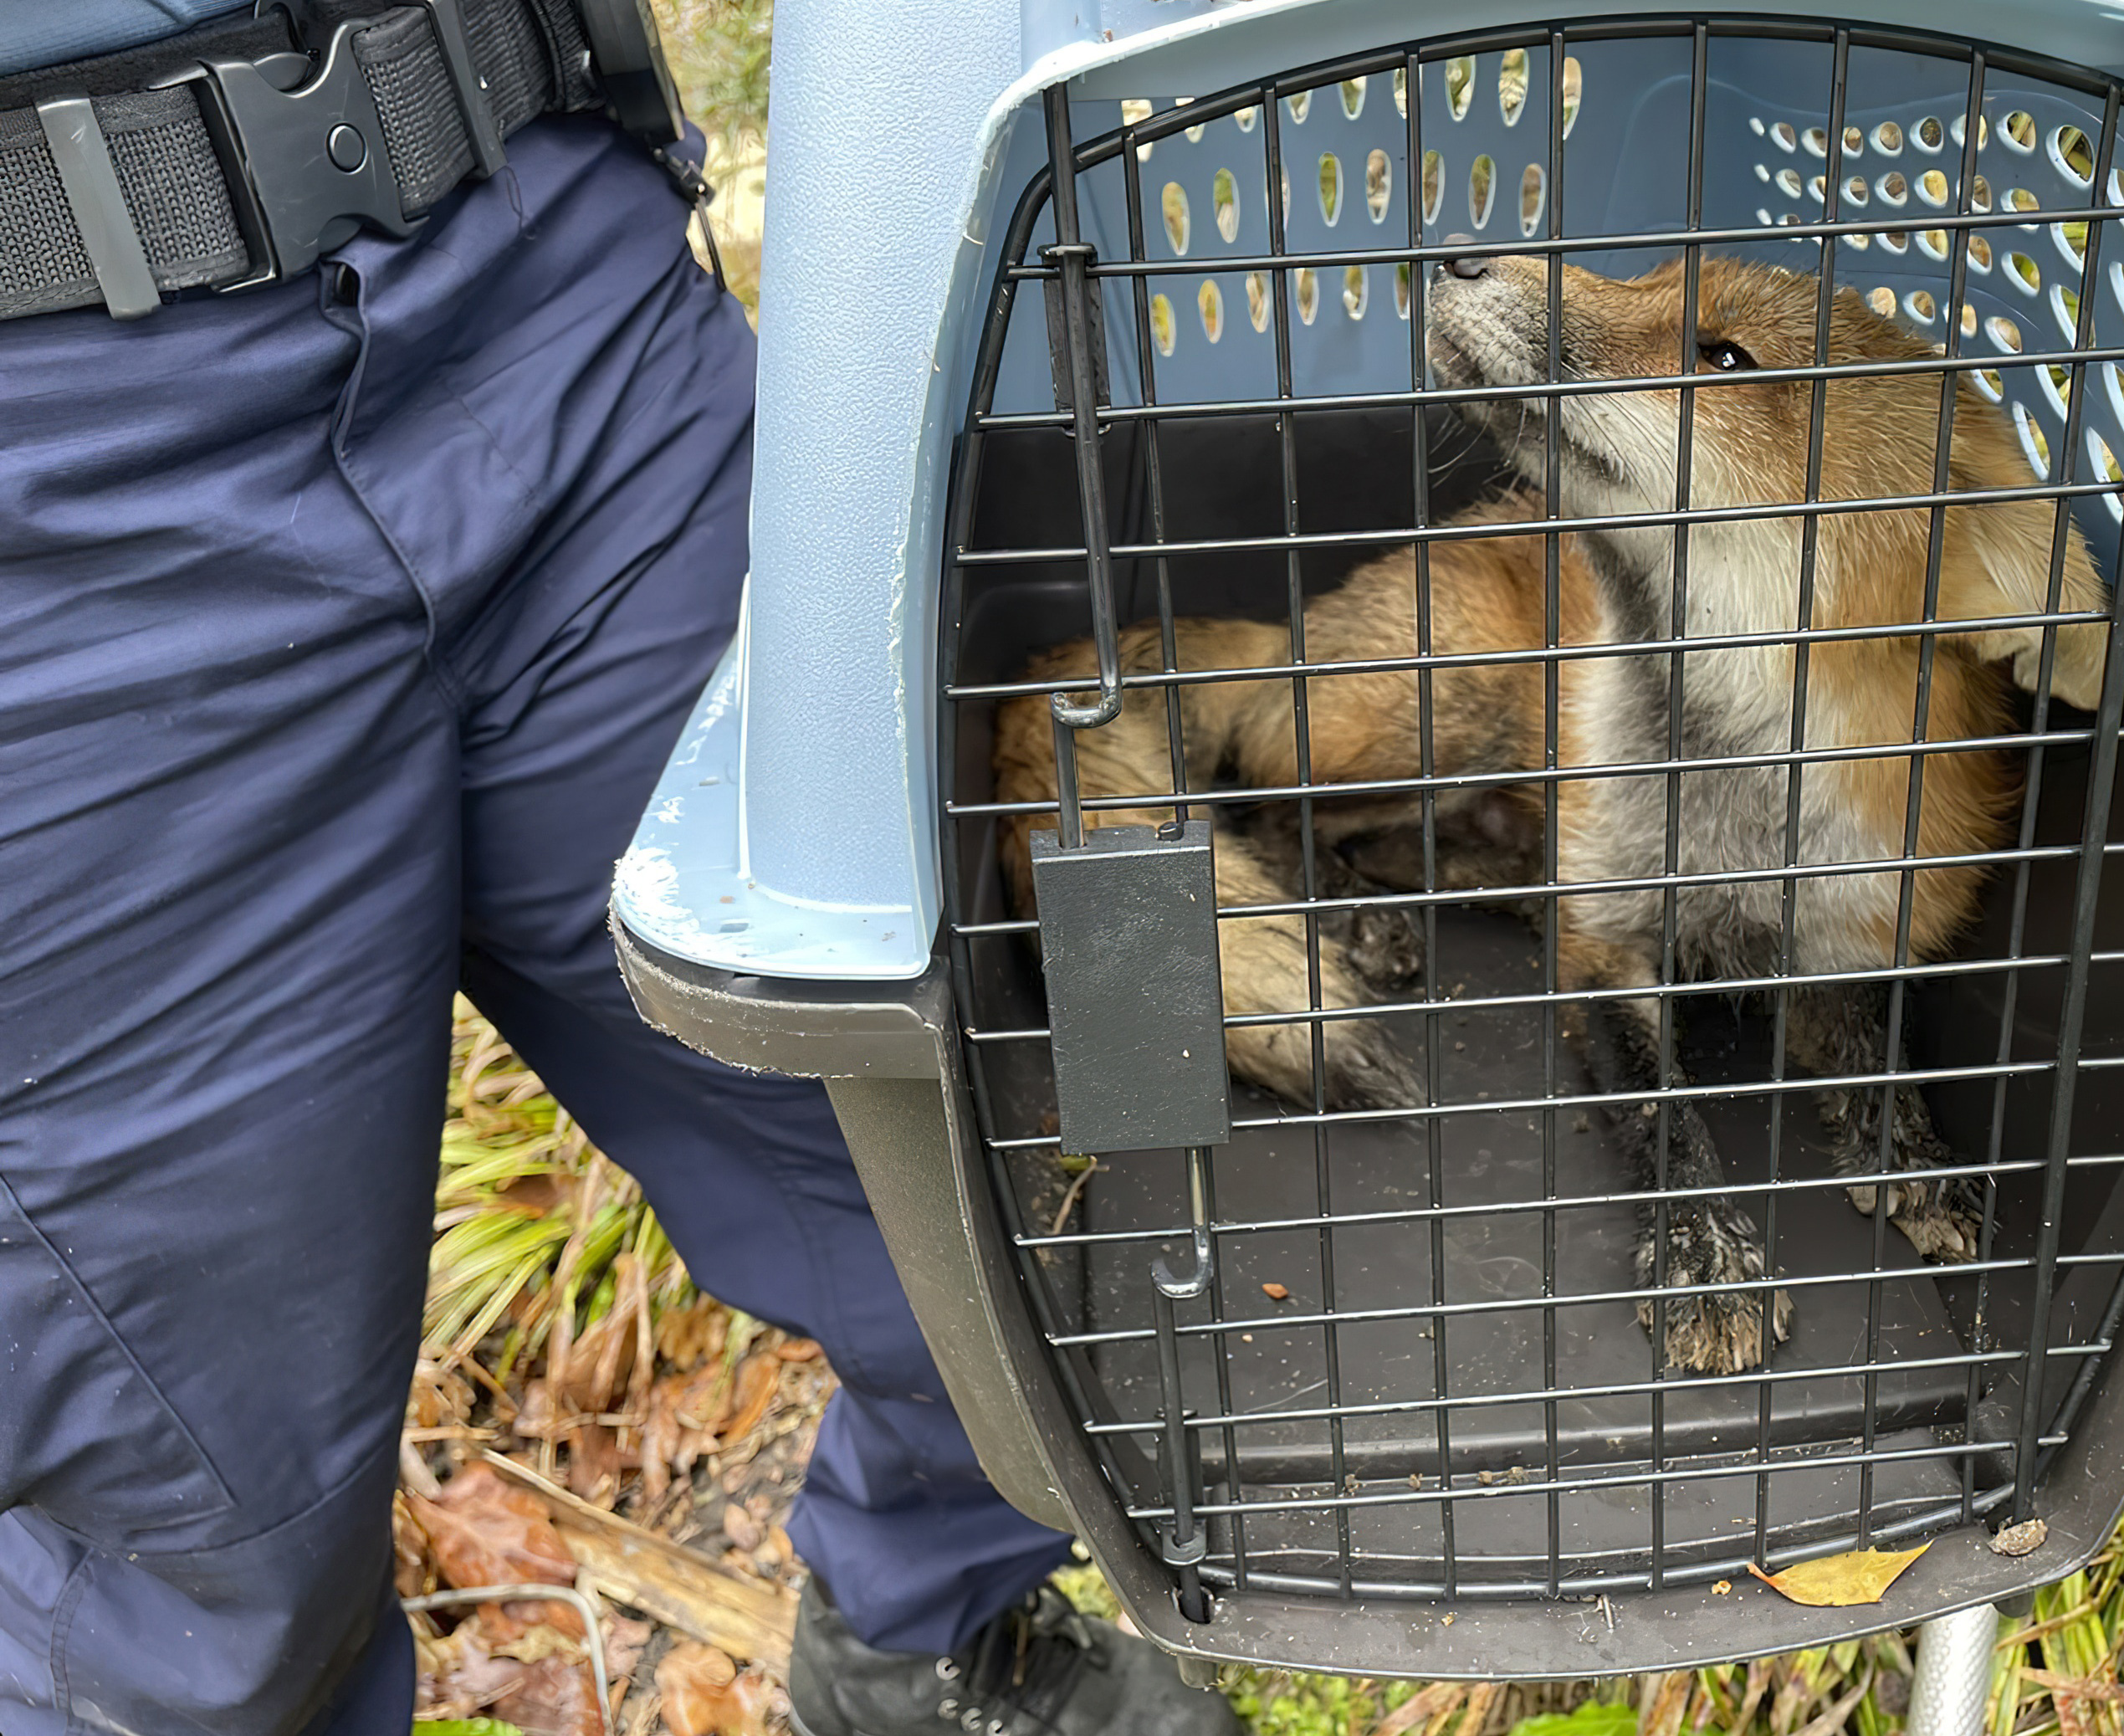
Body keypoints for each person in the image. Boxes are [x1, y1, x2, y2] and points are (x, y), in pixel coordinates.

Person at [0, 3, 1239, 1732]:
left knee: (1032, 1151)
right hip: (51, 512)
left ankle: (920, 1632)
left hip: (541, 255)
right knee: (211, 1564)